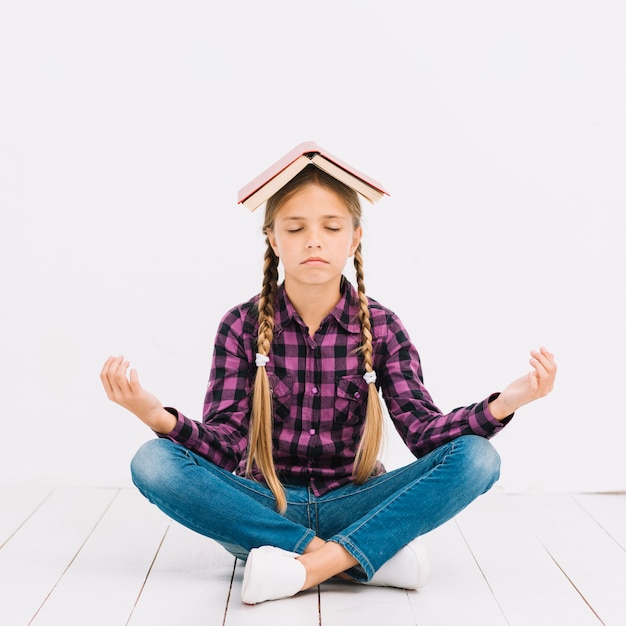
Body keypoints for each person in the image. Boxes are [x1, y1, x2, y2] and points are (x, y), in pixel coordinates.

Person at [100, 154, 557, 605]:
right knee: (152, 461)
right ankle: (355, 559)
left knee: (478, 457)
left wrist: (504, 403)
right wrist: (154, 414)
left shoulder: (382, 326)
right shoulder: (240, 325)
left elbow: (423, 434)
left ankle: (308, 567)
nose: (313, 241)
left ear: (355, 238)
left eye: (331, 228)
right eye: (296, 229)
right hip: (264, 514)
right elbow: (224, 448)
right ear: (273, 240)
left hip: (356, 506)